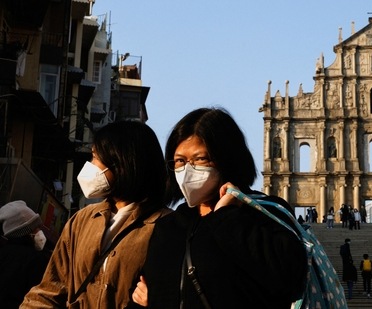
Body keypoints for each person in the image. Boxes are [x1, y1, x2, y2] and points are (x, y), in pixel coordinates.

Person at [131, 107, 307, 308]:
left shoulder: (265, 213)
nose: (188, 169)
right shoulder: (168, 227)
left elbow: (289, 278)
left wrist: (226, 215)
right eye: (180, 161)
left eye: (200, 159)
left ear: (227, 158)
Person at [21, 121, 171, 308]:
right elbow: (50, 290)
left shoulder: (168, 226)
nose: (90, 166)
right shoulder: (82, 220)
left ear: (121, 162)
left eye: (95, 157)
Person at [0, 200, 50, 309]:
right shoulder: (37, 260)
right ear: (26, 233)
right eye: (36, 228)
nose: (39, 232)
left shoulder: (3, 254)